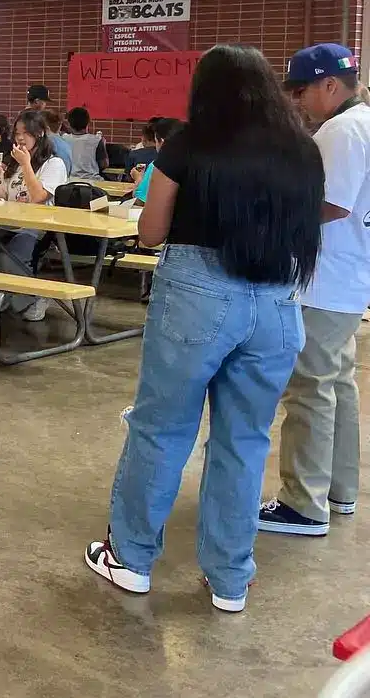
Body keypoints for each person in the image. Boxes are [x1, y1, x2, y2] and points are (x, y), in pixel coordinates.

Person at [83, 45, 322, 615]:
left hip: (195, 298)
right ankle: (230, 580)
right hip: (276, 304)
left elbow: (150, 231)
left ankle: (133, 561)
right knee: (244, 442)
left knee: (161, 430)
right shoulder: (303, 151)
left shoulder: (189, 143)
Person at [259, 43, 368, 537]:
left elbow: (332, 205)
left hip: (325, 280)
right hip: (348, 277)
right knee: (338, 384)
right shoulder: (363, 123)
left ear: (330, 84)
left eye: (302, 90)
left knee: (309, 390)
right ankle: (339, 491)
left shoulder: (341, 131)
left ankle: (304, 503)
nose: (298, 101)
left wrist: (271, 220)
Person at [0, 111, 68, 322]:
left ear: (39, 134)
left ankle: (33, 297)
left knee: (9, 256)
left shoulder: (53, 164)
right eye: (17, 132)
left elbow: (38, 196)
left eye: (26, 133)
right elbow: (4, 197)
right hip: (7, 223)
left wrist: (26, 164)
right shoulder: (15, 162)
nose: (20, 138)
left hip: (37, 226)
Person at [131, 118, 180, 204]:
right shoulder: (198, 165)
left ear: (161, 141)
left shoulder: (157, 165)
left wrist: (138, 178)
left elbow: (139, 201)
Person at [64, 106, 108, 179]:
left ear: (69, 123)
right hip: (92, 181)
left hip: (68, 180)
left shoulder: (63, 139)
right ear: (88, 122)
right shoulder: (97, 140)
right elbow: (104, 164)